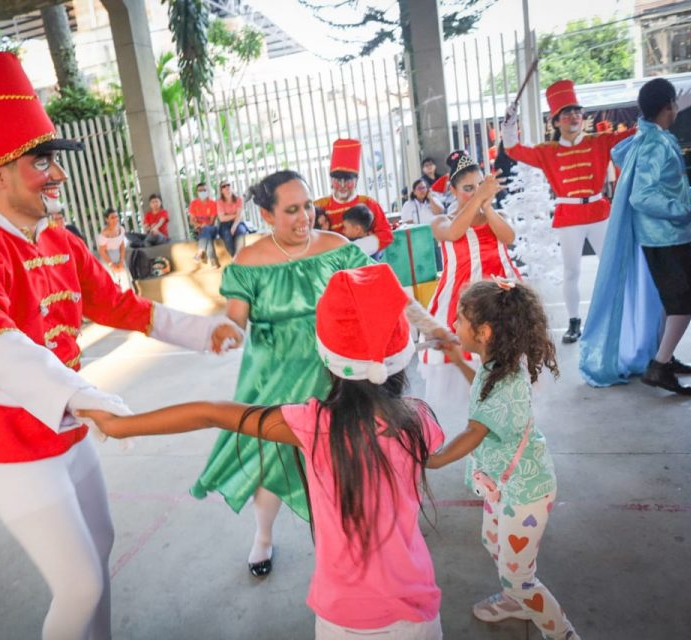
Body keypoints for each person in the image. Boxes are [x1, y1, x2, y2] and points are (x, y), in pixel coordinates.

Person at [0, 52, 243, 640]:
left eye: (54, 161)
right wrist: (82, 396)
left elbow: (118, 304)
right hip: (10, 438)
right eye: (41, 162)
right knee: (78, 585)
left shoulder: (58, 238)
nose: (56, 174)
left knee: (99, 549)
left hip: (68, 425)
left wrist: (203, 331)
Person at [78, 263, 446, 639]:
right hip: (418, 612)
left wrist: (119, 425)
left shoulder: (314, 425)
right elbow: (434, 454)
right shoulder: (418, 421)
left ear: (328, 359)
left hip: (345, 618)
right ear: (402, 356)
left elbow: (209, 413)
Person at [189, 170, 455, 578]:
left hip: (339, 374)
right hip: (273, 377)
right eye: (291, 210)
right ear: (266, 215)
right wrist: (225, 333)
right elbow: (236, 323)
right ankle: (263, 536)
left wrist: (432, 325)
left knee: (350, 457)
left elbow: (388, 292)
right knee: (271, 461)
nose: (305, 217)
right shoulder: (248, 261)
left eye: (308, 206)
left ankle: (369, 533)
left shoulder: (336, 248)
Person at [430, 279, 580, 640]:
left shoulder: (505, 381)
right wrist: (457, 360)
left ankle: (561, 632)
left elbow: (474, 432)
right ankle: (517, 599)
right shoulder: (496, 366)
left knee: (520, 577)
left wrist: (432, 460)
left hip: (526, 492)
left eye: (460, 319)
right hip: (506, 485)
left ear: (483, 332)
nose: (453, 325)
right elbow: (482, 391)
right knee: (492, 539)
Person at [579, 77, 691, 394]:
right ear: (669, 106)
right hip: (665, 234)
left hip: (663, 234)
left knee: (672, 300)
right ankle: (660, 365)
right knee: (685, 300)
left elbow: (664, 186)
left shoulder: (648, 137)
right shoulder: (655, 143)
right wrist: (686, 208)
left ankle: (662, 356)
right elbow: (643, 196)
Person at [502, 80, 637, 344]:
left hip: (599, 212)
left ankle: (623, 314)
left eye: (577, 112)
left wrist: (662, 112)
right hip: (570, 216)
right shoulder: (547, 151)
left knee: (614, 265)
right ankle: (574, 321)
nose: (574, 117)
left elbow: (634, 134)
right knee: (572, 271)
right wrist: (509, 125)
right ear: (556, 122)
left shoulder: (600, 141)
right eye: (566, 114)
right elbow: (513, 150)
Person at [420, 151, 520, 430]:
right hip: (460, 305)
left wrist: (487, 206)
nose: (475, 192)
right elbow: (454, 233)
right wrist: (480, 198)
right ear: (452, 191)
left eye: (479, 185)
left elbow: (509, 237)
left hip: (502, 300)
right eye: (468, 188)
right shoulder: (441, 221)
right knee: (471, 380)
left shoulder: (495, 215)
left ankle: (508, 428)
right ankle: (480, 432)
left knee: (505, 371)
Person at [315, 138, 394, 254]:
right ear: (331, 181)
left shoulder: (368, 203)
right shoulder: (319, 206)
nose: (342, 185)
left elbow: (386, 234)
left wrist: (357, 249)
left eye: (348, 180)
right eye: (338, 180)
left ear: (356, 181)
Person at [97, 207, 130, 290]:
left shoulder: (121, 229)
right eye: (112, 217)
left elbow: (122, 246)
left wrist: (121, 261)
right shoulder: (104, 234)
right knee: (112, 284)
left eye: (116, 217)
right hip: (107, 259)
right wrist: (111, 265)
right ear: (107, 219)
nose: (115, 219)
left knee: (125, 282)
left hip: (119, 256)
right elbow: (102, 251)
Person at [188, 182, 219, 266]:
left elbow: (211, 222)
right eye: (200, 190)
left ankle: (199, 252)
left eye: (204, 190)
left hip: (212, 229)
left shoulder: (213, 204)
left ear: (207, 191)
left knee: (206, 229)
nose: (202, 192)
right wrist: (200, 225)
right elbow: (191, 221)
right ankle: (213, 260)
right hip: (200, 231)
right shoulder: (193, 204)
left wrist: (201, 226)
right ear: (197, 192)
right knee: (207, 236)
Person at [216, 180, 248, 257]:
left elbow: (239, 216)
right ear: (221, 190)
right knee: (227, 237)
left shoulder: (239, 199)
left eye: (228, 185)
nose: (227, 187)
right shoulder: (219, 202)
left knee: (241, 232)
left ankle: (238, 258)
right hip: (224, 225)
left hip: (237, 222)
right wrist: (236, 215)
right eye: (224, 186)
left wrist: (234, 225)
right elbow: (222, 218)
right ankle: (235, 257)